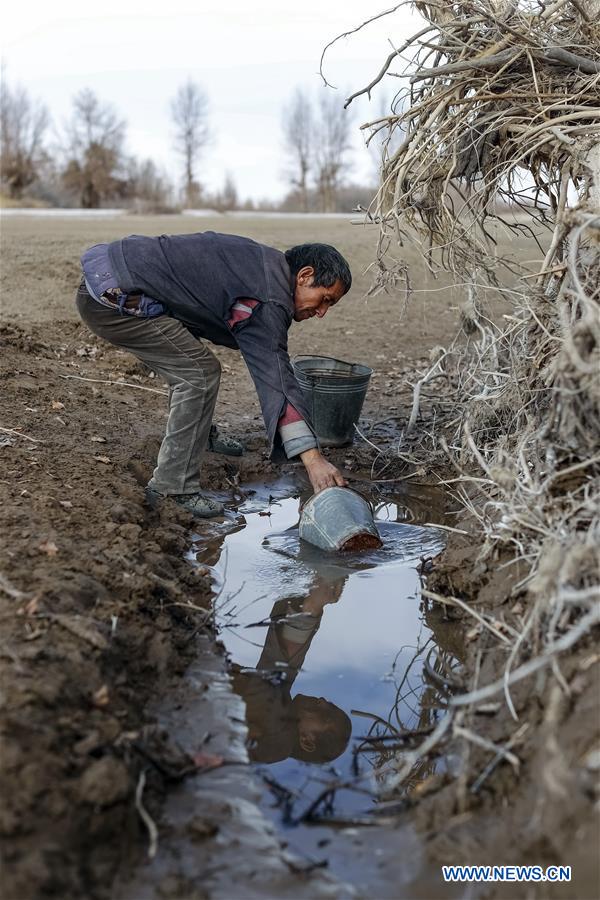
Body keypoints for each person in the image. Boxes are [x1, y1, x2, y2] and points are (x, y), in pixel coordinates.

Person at [76, 232, 350, 517]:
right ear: (305, 276)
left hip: (111, 272)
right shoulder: (269, 299)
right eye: (324, 299)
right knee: (198, 373)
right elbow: (276, 378)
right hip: (112, 301)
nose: (322, 313)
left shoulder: (264, 263)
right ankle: (173, 487)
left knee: (191, 361)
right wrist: (313, 459)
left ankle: (200, 433)